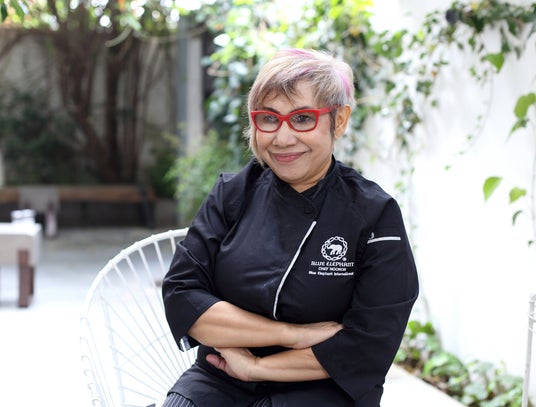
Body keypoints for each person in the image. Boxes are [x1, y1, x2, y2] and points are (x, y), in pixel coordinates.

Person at [161, 48, 419, 407]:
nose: (282, 138)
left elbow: (368, 345)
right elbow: (182, 296)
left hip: (323, 388)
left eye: (302, 118)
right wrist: (290, 334)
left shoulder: (374, 214)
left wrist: (256, 367)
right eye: (269, 118)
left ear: (339, 121)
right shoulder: (232, 194)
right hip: (219, 378)